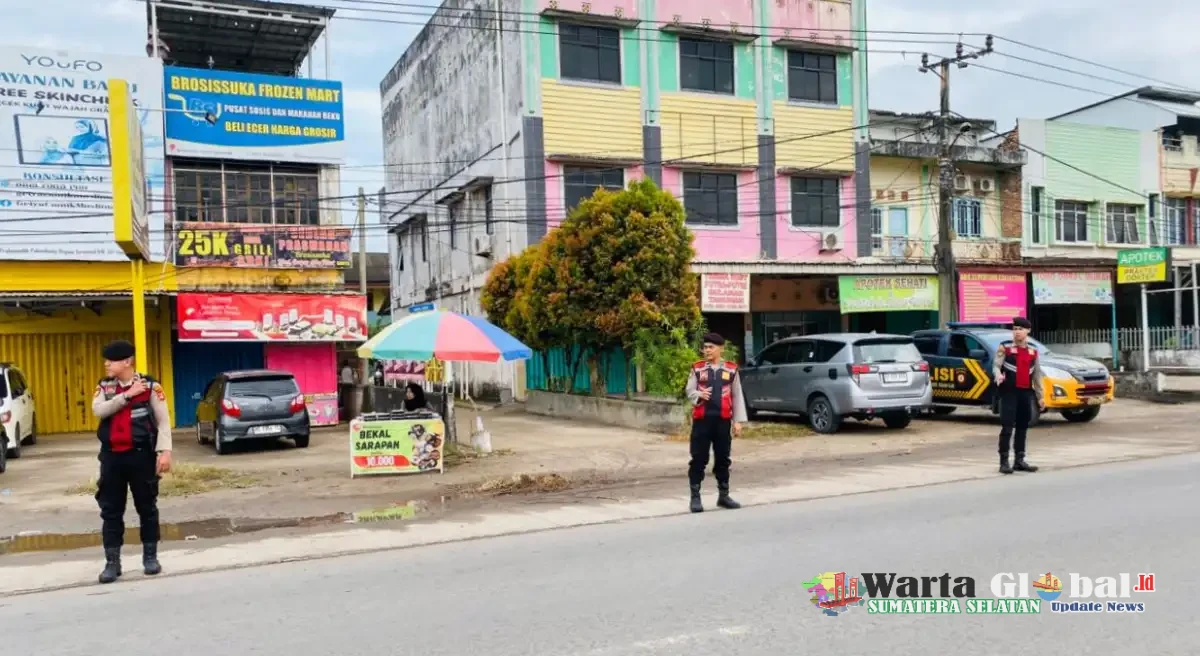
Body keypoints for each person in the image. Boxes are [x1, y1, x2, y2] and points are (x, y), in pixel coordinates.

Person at [90, 340, 173, 584]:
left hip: (141, 455)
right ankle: (112, 563)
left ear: (127, 361)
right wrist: (126, 396)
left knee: (147, 507)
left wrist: (164, 452)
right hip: (112, 457)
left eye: (111, 360)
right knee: (111, 511)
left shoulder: (151, 387)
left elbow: (163, 421)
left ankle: (150, 557)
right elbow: (99, 411)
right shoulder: (104, 386)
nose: (106, 364)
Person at [683, 332, 747, 513]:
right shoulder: (697, 368)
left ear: (721, 349)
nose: (707, 350)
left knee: (723, 459)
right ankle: (695, 498)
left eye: (711, 347)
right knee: (698, 459)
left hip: (723, 421)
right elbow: (689, 390)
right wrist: (699, 395)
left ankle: (724, 496)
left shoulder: (731, 369)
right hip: (702, 421)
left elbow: (737, 395)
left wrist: (738, 421)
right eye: (705, 347)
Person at [992, 317, 1044, 475]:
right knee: (1007, 427)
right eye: (1015, 329)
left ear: (1027, 331)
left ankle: (1019, 460)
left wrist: (1040, 396)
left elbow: (1037, 375)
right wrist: (998, 376)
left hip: (1025, 393)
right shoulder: (1005, 347)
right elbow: (996, 365)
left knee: (1023, 427)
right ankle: (1004, 462)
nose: (1017, 332)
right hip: (1009, 392)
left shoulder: (1033, 350)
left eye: (1020, 329)